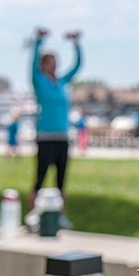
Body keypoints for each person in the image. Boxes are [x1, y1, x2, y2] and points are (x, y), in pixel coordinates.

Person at [31, 28, 82, 225]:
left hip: (62, 137)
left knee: (61, 181)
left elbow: (77, 66)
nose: (55, 66)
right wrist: (38, 41)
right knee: (40, 179)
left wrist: (76, 44)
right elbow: (32, 66)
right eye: (51, 63)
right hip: (45, 137)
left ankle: (61, 216)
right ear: (43, 65)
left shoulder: (61, 82)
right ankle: (34, 216)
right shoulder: (39, 81)